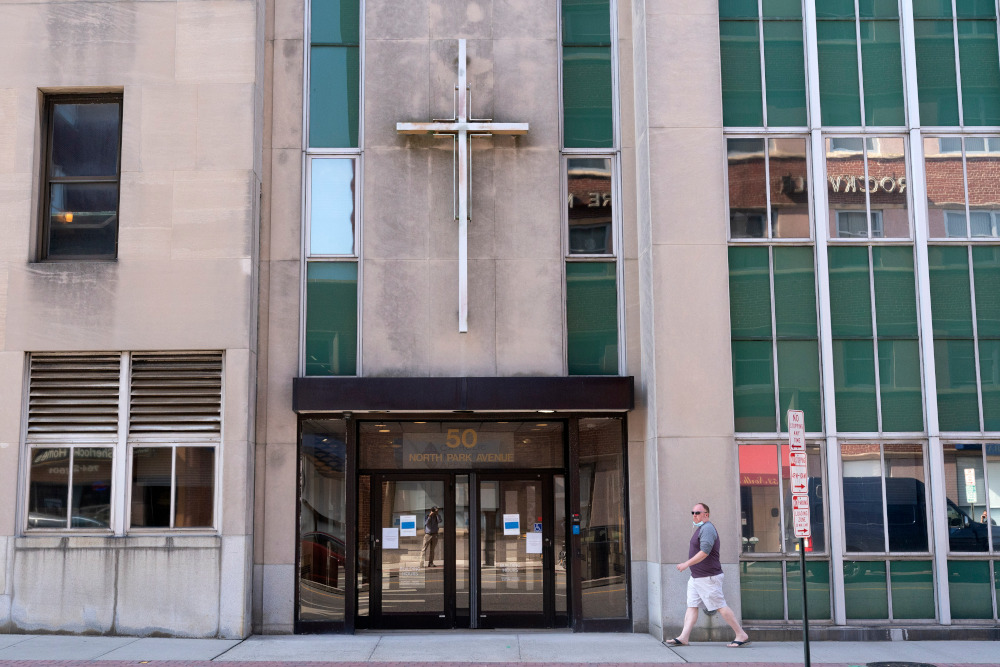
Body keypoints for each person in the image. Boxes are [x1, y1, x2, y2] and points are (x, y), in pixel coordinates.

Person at [665, 503, 750, 649]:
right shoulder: (701, 529)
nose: (694, 515)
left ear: (706, 514)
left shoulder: (708, 529)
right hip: (697, 577)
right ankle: (684, 637)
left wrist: (686, 564)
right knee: (692, 606)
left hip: (707, 577)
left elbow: (705, 552)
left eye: (698, 512)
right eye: (693, 512)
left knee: (720, 606)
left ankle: (741, 634)